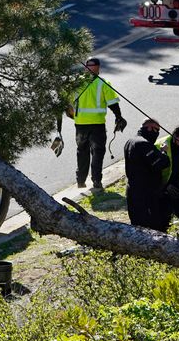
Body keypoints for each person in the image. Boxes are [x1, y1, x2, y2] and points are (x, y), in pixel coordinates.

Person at [66, 58, 127, 191]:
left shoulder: (76, 83)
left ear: (86, 68)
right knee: (98, 152)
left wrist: (71, 114)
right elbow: (113, 103)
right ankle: (97, 181)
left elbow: (67, 103)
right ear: (98, 68)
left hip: (80, 124)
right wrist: (119, 116)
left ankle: (81, 181)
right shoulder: (103, 83)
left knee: (82, 151)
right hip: (97, 124)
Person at [123, 119, 169, 231]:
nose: (157, 133)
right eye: (156, 130)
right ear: (149, 128)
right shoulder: (143, 144)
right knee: (152, 228)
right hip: (146, 194)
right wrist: (164, 152)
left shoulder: (130, 141)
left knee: (138, 228)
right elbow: (161, 163)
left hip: (133, 191)